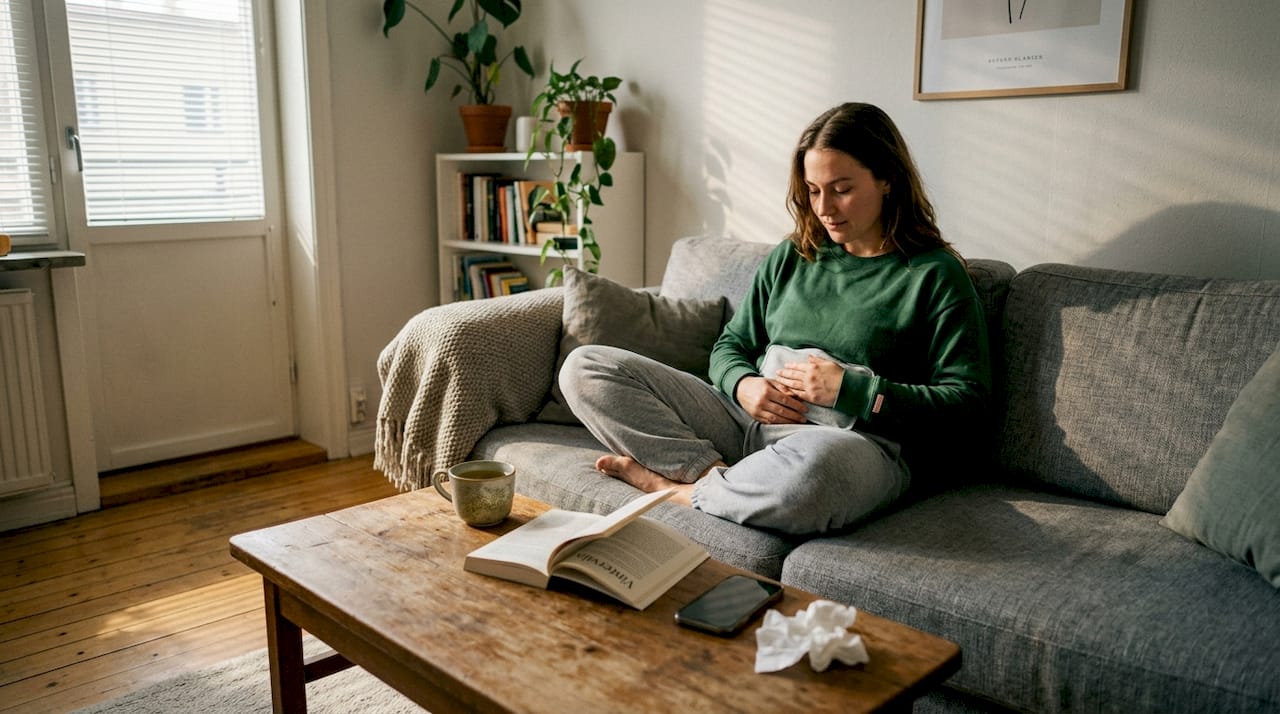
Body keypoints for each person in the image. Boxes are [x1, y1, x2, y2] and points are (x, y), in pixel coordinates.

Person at [559, 102, 991, 535]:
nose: (824, 208)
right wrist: (743, 385)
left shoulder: (934, 275)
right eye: (813, 190)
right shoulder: (793, 255)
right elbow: (730, 347)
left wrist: (856, 391)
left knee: (812, 480)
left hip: (850, 444)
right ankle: (715, 475)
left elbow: (968, 403)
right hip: (742, 419)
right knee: (586, 368)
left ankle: (678, 490)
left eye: (842, 189)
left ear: (887, 180)